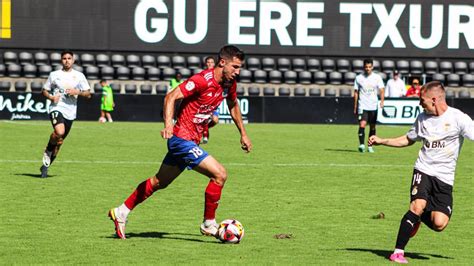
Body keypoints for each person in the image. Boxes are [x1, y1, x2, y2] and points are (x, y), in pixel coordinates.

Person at [108, 45, 252, 240]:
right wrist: (168, 124)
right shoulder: (202, 80)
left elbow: (233, 104)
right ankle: (209, 224)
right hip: (181, 139)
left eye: (240, 67)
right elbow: (171, 96)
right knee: (220, 174)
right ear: (222, 62)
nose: (238, 72)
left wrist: (243, 133)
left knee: (159, 182)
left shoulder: (228, 83)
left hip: (192, 140)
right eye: (235, 67)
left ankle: (121, 211)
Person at [368, 81, 474, 264]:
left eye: (422, 100)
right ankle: (398, 252)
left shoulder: (458, 118)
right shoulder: (422, 118)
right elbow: (407, 139)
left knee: (439, 224)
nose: (419, 103)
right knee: (417, 206)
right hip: (423, 169)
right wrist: (382, 141)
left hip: (445, 178)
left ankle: (416, 219)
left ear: (434, 99)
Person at [40, 50, 91, 178]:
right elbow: (44, 91)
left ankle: (45, 167)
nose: (67, 60)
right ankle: (47, 149)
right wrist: (51, 98)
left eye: (69, 58)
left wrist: (77, 92)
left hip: (71, 112)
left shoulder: (79, 76)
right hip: (57, 107)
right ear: (61, 60)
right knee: (59, 132)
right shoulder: (54, 75)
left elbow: (88, 94)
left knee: (59, 142)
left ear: (73, 60)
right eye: (64, 58)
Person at [353, 58, 385, 153]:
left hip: (373, 105)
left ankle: (370, 146)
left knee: (372, 126)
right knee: (362, 124)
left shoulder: (377, 77)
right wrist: (355, 106)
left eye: (369, 67)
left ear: (372, 67)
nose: (368, 69)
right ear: (364, 67)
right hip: (362, 105)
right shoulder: (359, 78)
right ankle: (362, 145)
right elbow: (356, 92)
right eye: (366, 67)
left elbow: (382, 89)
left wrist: (382, 101)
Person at [202, 56, 219, 144]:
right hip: (205, 100)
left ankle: (203, 129)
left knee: (215, 120)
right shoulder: (203, 74)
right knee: (205, 119)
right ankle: (205, 135)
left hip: (214, 101)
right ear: (206, 64)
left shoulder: (217, 74)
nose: (210, 64)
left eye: (211, 62)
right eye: (208, 62)